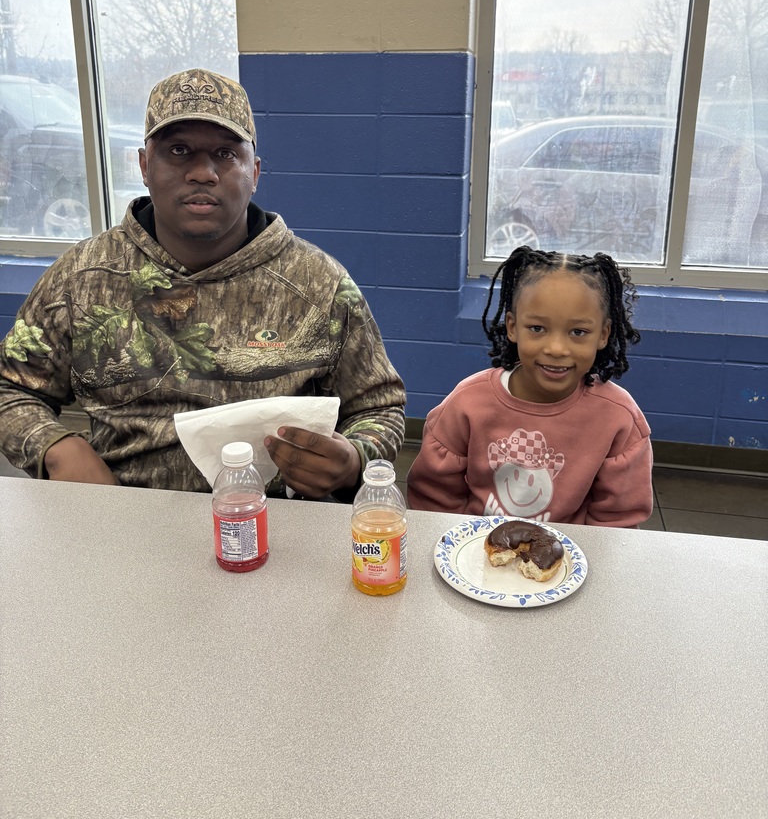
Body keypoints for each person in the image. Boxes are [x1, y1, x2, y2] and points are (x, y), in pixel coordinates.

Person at [0, 68, 405, 500]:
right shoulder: (82, 278)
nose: (203, 173)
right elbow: (10, 388)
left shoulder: (319, 284)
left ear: (255, 172)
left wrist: (355, 458)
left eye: (226, 154)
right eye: (178, 150)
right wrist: (57, 448)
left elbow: (378, 406)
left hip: (277, 519)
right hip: (120, 512)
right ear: (143, 164)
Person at [407, 246, 653, 526]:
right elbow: (433, 499)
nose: (557, 348)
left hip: (570, 560)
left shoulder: (619, 419)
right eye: (537, 328)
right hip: (476, 554)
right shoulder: (466, 404)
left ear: (603, 334)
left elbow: (617, 521)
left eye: (578, 332)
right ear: (512, 326)